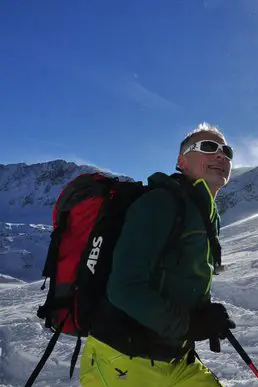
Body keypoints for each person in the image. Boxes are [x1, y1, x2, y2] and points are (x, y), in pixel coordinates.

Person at [78, 122, 236, 386]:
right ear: (181, 161)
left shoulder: (205, 214)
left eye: (227, 151)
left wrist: (206, 315)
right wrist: (188, 324)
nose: (221, 156)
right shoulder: (160, 203)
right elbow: (125, 288)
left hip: (176, 359)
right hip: (123, 358)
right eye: (209, 148)